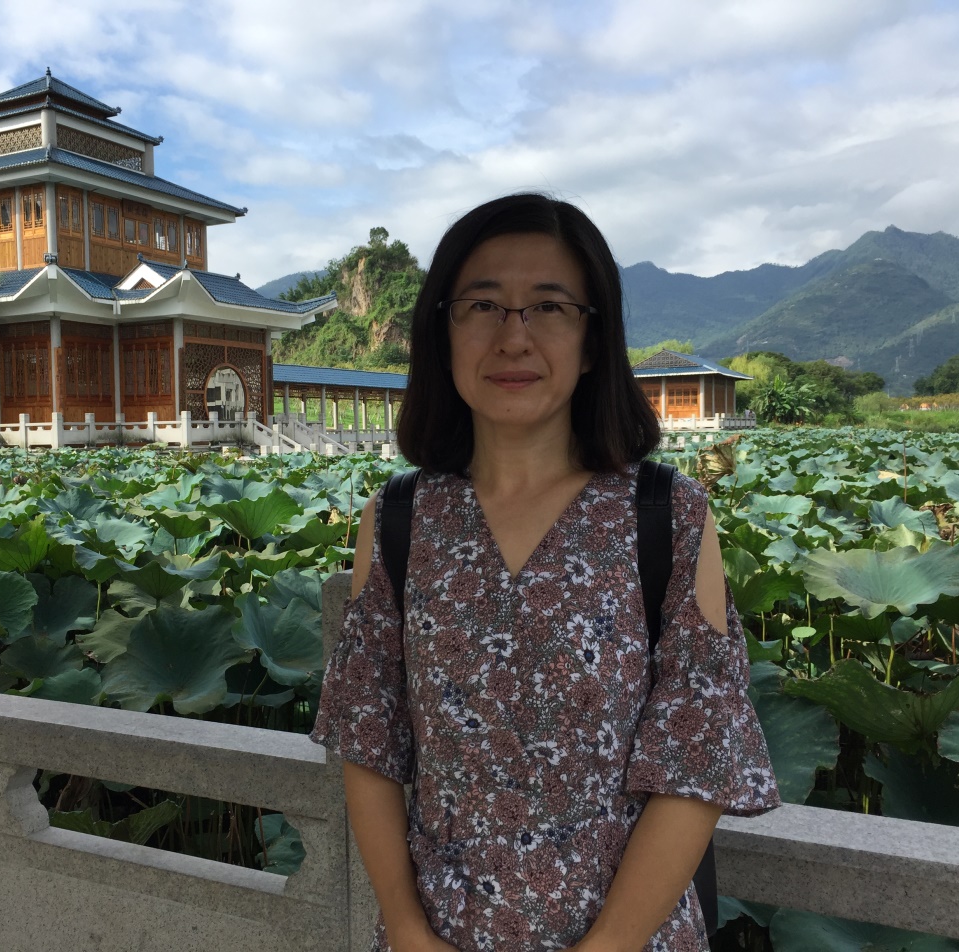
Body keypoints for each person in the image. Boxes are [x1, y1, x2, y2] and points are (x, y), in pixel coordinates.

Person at [310, 194, 780, 952]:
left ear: (593, 341)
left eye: (549, 307)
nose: (513, 337)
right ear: (442, 332)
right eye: (482, 306)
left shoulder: (667, 516)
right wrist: (405, 926)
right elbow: (370, 743)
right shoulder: (396, 519)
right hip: (439, 937)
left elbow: (695, 762)